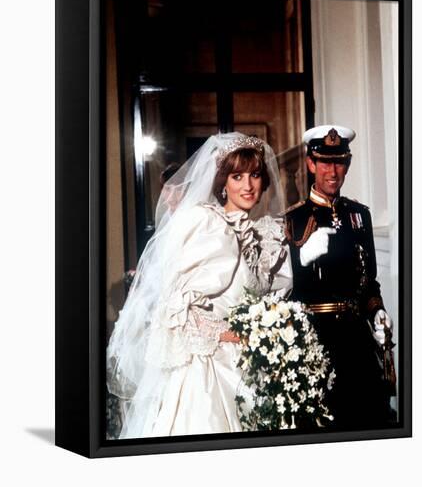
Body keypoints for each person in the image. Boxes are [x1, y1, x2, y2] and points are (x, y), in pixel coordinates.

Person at [107, 132, 292, 438]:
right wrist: (232, 335)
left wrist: (267, 332)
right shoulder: (204, 224)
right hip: (209, 368)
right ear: (223, 182)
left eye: (255, 175)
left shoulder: (268, 235)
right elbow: (178, 309)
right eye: (237, 176)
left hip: (255, 361)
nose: (247, 186)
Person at [283, 125, 395, 430]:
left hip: (358, 340)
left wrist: (377, 311)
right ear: (310, 164)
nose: (333, 171)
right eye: (325, 162)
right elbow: (290, 287)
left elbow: (368, 281)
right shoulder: (294, 218)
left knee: (371, 420)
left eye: (340, 162)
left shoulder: (359, 215)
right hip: (317, 342)